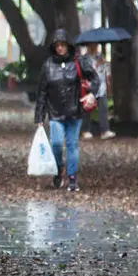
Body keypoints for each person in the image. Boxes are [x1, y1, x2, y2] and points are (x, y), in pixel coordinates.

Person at [34, 29, 99, 192]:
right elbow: (42, 92)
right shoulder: (48, 66)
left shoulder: (79, 61)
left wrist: (92, 92)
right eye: (57, 45)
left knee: (72, 145)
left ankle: (72, 178)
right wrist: (39, 116)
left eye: (63, 45)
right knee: (56, 144)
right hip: (55, 113)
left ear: (68, 46)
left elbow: (94, 78)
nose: (60, 48)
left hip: (75, 111)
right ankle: (58, 169)